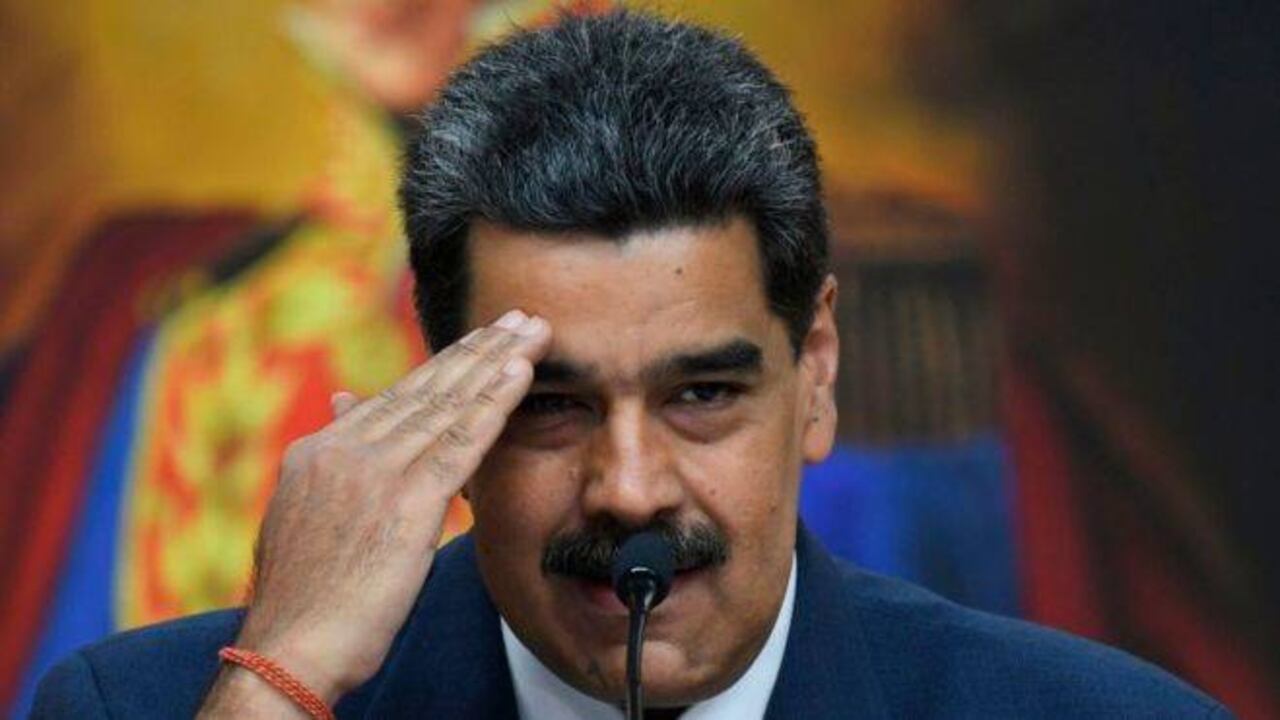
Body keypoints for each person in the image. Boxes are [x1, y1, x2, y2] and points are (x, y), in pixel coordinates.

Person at [32, 11, 1231, 719]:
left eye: (701, 395)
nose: (629, 490)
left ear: (814, 370)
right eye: (548, 405)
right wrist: (277, 686)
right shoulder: (147, 707)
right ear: (444, 404)